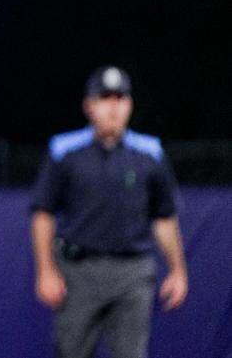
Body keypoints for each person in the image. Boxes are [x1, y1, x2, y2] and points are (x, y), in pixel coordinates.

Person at [30, 65, 188, 358]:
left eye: (121, 98)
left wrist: (177, 270)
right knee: (70, 351)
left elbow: (164, 216)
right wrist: (45, 270)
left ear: (130, 104)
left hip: (133, 273)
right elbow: (43, 212)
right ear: (89, 106)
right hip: (80, 273)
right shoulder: (64, 151)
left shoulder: (149, 152)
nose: (114, 107)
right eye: (105, 98)